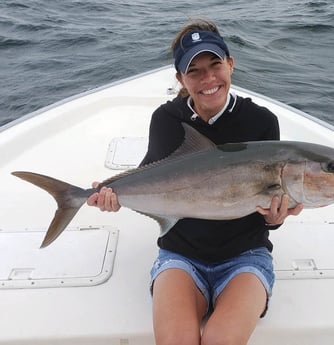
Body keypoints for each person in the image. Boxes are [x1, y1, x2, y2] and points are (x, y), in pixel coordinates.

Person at [87, 19, 303, 345]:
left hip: (245, 256)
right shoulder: (167, 119)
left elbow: (266, 209)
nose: (208, 79)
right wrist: (114, 193)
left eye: (215, 65)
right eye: (194, 71)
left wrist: (275, 220)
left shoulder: (261, 121)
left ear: (231, 64)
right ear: (181, 79)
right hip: (180, 255)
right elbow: (152, 180)